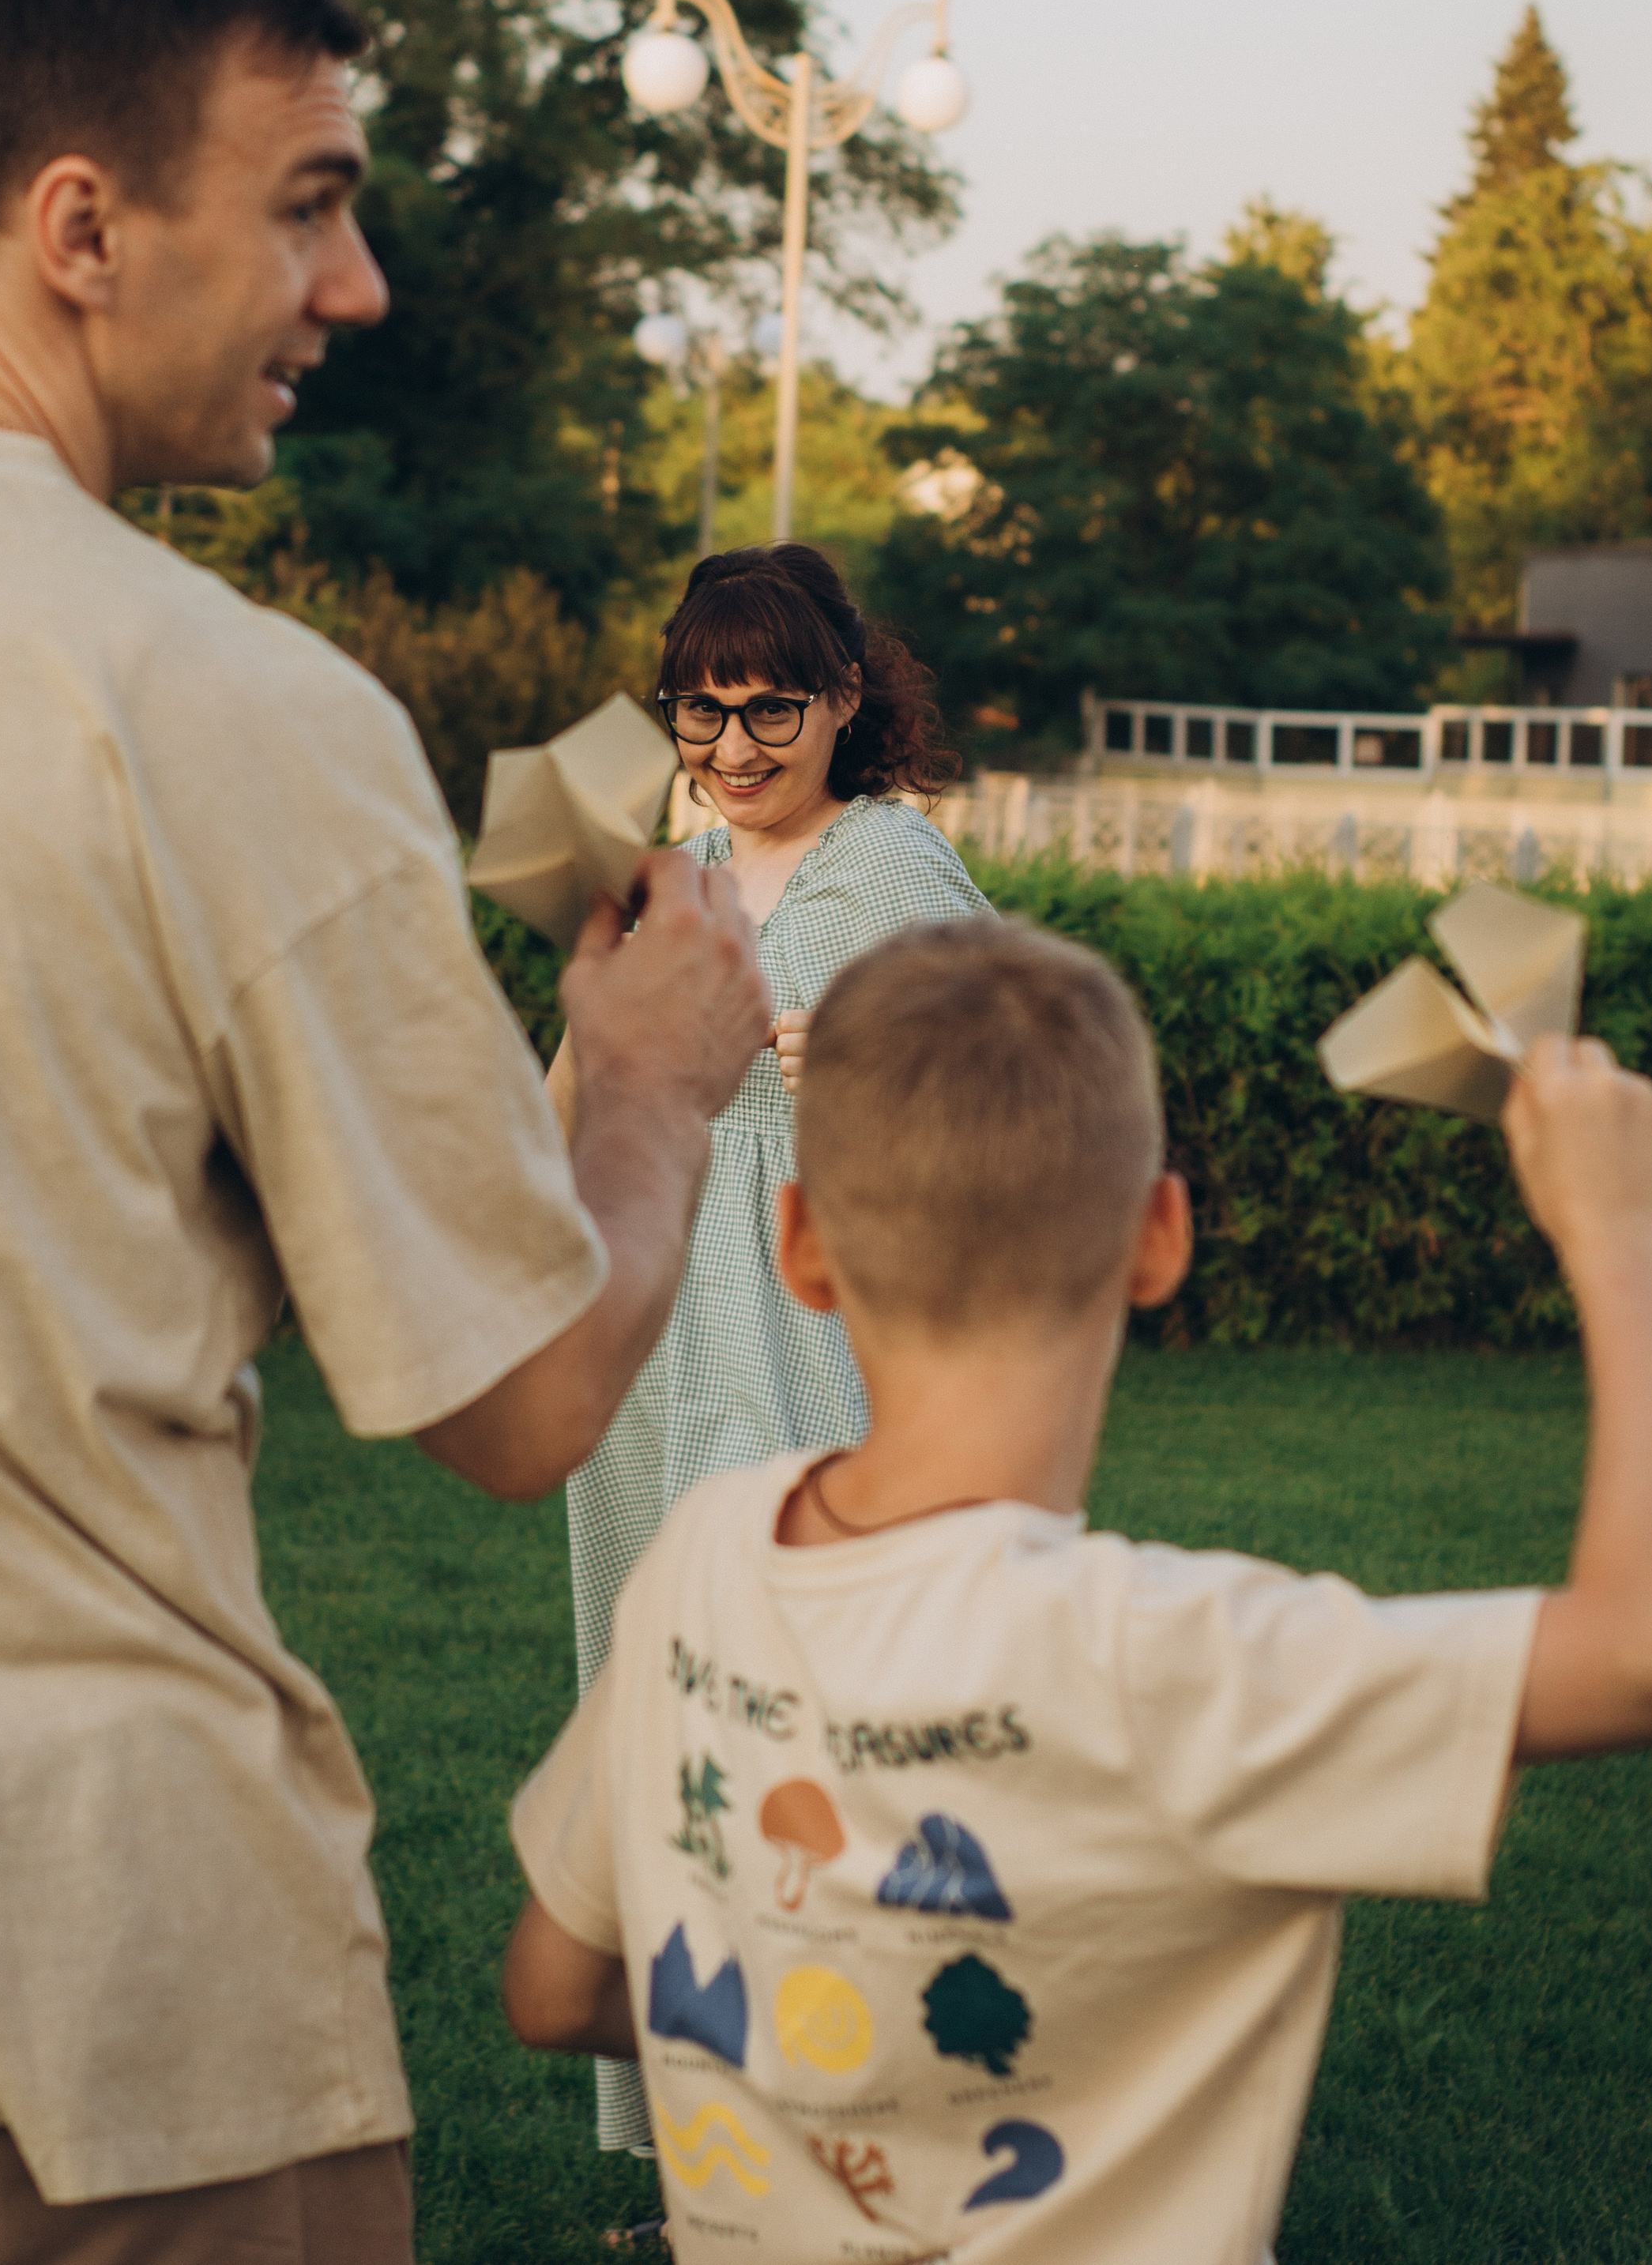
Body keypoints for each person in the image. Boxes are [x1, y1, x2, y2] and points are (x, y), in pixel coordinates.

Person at [0, 0, 769, 2265]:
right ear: (82, 228)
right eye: (310, 204)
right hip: (89, 2021)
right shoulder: (225, 703)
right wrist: (648, 1082)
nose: (361, 286)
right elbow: (513, 1399)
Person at [502, 921, 1652, 2265]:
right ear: (1161, 1239)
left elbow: (553, 1987)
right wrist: (1624, 1237)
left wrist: (838, 2048)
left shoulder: (697, 1559)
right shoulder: (1172, 1659)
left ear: (799, 1242)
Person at [556, 544, 992, 2158]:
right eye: (702, 707)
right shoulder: (661, 873)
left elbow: (1010, 1092)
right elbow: (560, 1106)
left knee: (810, 1717)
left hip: (812, 1325)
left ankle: (867, 2122)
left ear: (844, 699)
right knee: (668, 1721)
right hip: (651, 1322)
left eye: (770, 707)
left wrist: (859, 1072)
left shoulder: (892, 866)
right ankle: (706, 2157)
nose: (732, 746)